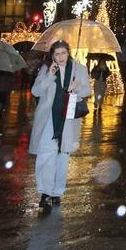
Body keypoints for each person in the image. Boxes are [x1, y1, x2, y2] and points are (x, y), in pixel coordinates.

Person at [29, 40, 91, 213]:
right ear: (52, 55)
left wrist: (77, 88)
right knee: (46, 154)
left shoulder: (79, 69)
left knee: (63, 156)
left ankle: (57, 192)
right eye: (57, 54)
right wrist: (49, 76)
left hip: (69, 118)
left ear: (68, 53)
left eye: (63, 53)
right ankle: (45, 193)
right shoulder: (47, 68)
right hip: (49, 117)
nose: (61, 57)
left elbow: (88, 91)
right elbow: (36, 91)